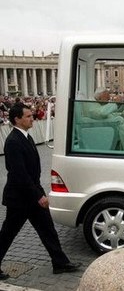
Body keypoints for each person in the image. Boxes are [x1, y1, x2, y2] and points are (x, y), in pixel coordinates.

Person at [0, 103, 81, 280]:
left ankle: (60, 263)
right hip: (20, 199)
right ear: (17, 119)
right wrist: (39, 196)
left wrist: (38, 193)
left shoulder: (26, 137)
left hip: (30, 195)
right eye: (28, 116)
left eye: (31, 115)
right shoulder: (13, 141)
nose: (32, 119)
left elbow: (31, 173)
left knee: (47, 229)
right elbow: (19, 174)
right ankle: (60, 262)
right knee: (7, 234)